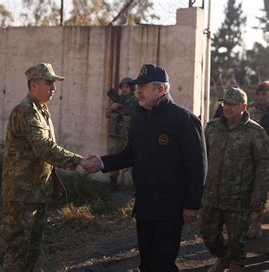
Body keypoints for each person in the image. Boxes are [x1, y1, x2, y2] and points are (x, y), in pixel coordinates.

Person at [87, 64, 207, 272]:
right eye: (137, 86)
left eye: (143, 86)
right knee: (146, 263)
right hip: (145, 206)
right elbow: (130, 155)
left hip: (170, 208)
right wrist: (101, 163)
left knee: (162, 265)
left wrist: (192, 204)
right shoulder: (139, 118)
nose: (138, 90)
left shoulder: (184, 120)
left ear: (161, 90)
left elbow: (197, 165)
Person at [1, 63, 93, 272]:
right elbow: (45, 149)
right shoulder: (26, 111)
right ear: (34, 85)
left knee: (32, 250)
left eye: (54, 84)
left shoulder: (41, 110)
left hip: (36, 192)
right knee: (17, 252)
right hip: (22, 195)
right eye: (49, 83)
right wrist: (80, 161)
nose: (53, 88)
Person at [201, 87, 269, 272]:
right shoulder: (212, 128)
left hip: (240, 197)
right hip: (212, 194)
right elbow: (203, 158)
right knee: (208, 234)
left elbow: (263, 164)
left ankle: (235, 264)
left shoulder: (256, 132)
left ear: (244, 106)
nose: (227, 107)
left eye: (232, 104)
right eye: (225, 103)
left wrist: (259, 194)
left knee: (237, 239)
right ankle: (223, 257)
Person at [246, 81, 269, 239]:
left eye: (265, 94)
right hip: (256, 157)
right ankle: (254, 225)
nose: (261, 97)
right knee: (257, 190)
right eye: (259, 94)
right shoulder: (251, 111)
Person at [105, 77, 137, 189]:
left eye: (127, 87)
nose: (124, 89)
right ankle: (112, 184)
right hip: (116, 136)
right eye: (122, 87)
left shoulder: (136, 102)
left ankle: (136, 187)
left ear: (131, 88)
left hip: (130, 137)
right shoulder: (117, 100)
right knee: (114, 159)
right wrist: (112, 108)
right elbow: (107, 115)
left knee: (134, 162)